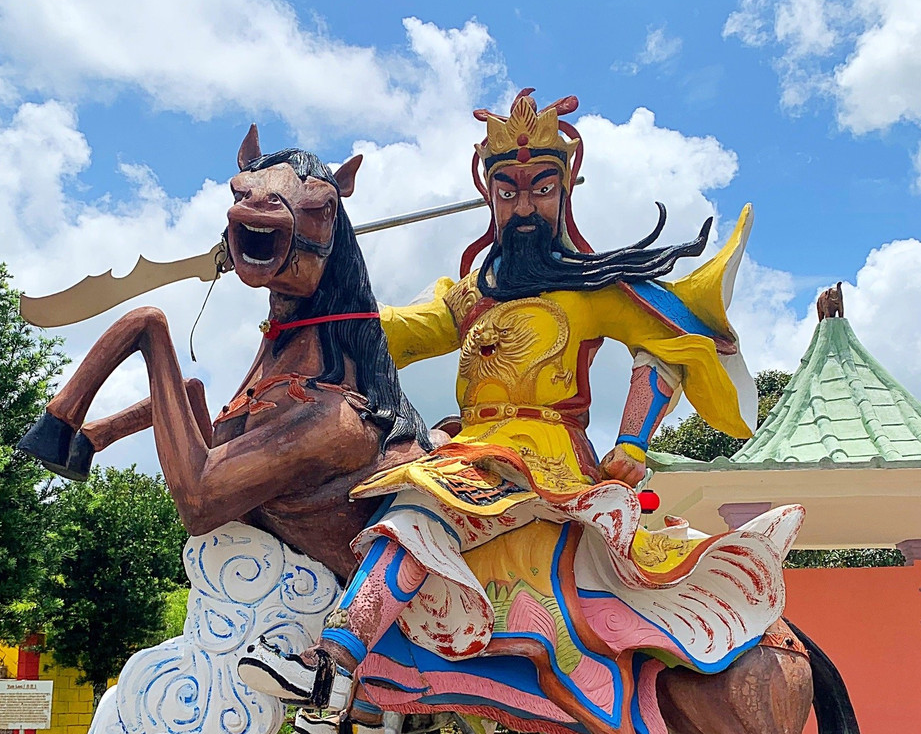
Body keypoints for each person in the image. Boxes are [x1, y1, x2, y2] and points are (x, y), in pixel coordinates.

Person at [238, 90, 799, 730]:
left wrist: (635, 442)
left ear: (565, 193)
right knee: (384, 492)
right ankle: (392, 688)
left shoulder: (591, 289)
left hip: (545, 456)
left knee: (428, 498)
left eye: (540, 189)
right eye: (508, 190)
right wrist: (308, 277)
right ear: (490, 200)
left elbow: (667, 347)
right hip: (470, 443)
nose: (524, 205)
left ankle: (336, 659)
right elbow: (384, 329)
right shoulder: (470, 296)